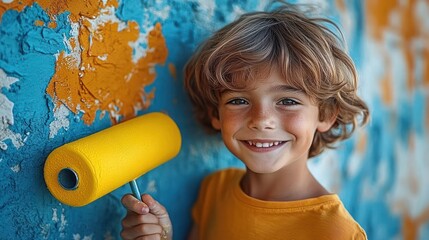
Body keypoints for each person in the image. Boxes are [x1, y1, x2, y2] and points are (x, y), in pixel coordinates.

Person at [120, 1, 370, 239]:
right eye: (238, 101)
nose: (261, 120)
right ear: (216, 114)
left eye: (288, 101)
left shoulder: (336, 232)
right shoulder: (214, 190)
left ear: (325, 114)